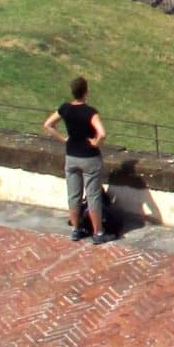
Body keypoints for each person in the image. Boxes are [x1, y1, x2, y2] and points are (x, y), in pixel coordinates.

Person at [42, 76, 111, 244]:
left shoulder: (65, 108)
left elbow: (48, 125)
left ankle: (75, 229)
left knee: (73, 195)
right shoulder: (90, 112)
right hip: (89, 158)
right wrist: (95, 142)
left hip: (71, 156)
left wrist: (64, 139)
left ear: (73, 92)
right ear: (86, 92)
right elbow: (102, 133)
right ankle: (98, 233)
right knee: (93, 195)